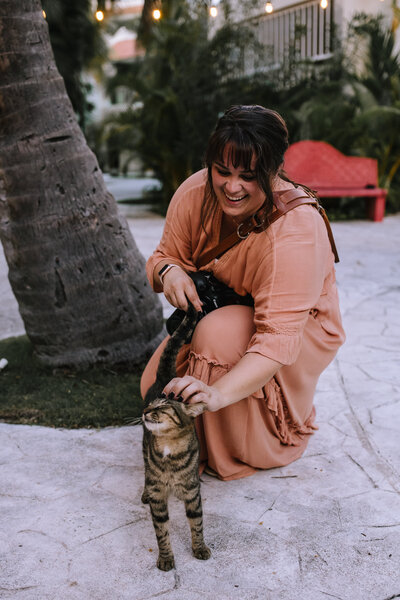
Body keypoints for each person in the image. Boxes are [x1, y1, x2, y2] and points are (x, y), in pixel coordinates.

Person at [140, 105, 345, 481]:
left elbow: (276, 340)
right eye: (223, 171)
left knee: (217, 336)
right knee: (151, 385)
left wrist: (216, 395)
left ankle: (244, 443)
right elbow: (163, 257)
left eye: (248, 176)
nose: (232, 188)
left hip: (297, 331)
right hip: (227, 308)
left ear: (272, 171)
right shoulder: (194, 192)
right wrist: (170, 274)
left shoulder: (296, 230)